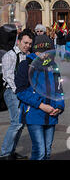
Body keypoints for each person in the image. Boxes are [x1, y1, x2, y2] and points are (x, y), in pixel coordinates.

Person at [14, 35, 64, 160]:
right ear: (34, 51)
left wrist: (59, 106)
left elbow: (59, 90)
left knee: (47, 151)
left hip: (51, 114)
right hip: (34, 113)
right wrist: (41, 105)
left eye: (48, 52)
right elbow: (21, 92)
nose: (44, 55)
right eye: (40, 52)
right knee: (39, 151)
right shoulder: (25, 65)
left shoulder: (54, 66)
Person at [0, 31, 33, 160]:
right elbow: (8, 76)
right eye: (25, 43)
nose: (27, 46)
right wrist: (19, 92)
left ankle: (11, 151)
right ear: (18, 41)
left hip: (21, 92)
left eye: (30, 44)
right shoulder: (10, 55)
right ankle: (5, 153)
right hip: (12, 92)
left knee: (21, 122)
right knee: (16, 122)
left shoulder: (26, 56)